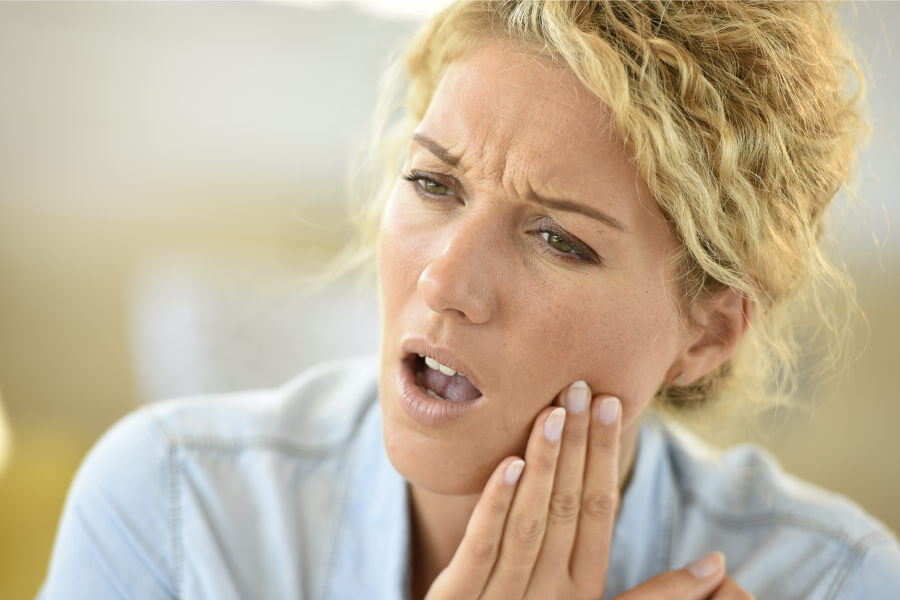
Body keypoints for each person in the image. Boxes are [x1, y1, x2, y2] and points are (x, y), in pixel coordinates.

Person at [39, 1, 900, 598]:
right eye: (432, 183)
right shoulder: (173, 507)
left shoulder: (833, 582)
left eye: (559, 238)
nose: (444, 281)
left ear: (707, 335)